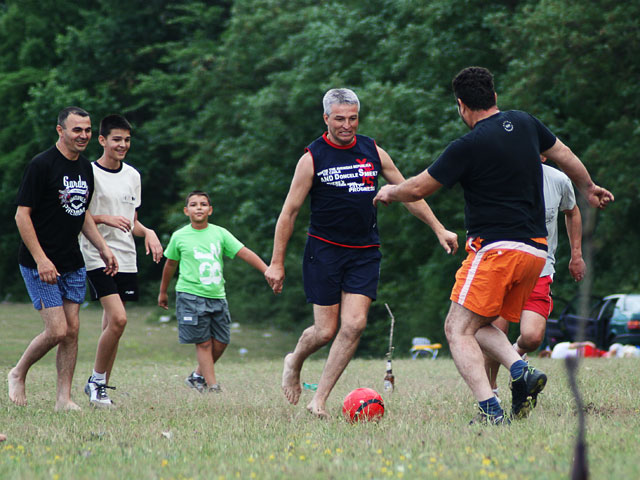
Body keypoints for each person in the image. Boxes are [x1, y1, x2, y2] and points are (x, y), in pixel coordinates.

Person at [373, 66, 613, 424]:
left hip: (497, 251)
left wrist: (391, 190)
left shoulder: (467, 146)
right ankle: (522, 371)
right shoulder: (526, 123)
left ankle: (490, 410)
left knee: (456, 328)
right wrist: (589, 187)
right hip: (535, 252)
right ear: (495, 97)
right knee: (480, 326)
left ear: (461, 106)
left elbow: (419, 188)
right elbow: (565, 155)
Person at [265, 88, 458, 418]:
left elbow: (410, 193)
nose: (347, 125)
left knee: (354, 325)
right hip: (323, 251)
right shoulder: (312, 158)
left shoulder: (373, 151)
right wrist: (276, 262)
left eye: (353, 118)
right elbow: (289, 213)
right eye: (339, 119)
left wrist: (439, 228)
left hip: (365, 252)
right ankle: (294, 360)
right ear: (326, 118)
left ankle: (319, 399)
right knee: (325, 331)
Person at [9, 106, 118, 411]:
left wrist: (102, 248)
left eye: (87, 130)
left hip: (73, 260)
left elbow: (81, 212)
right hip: (39, 262)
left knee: (72, 331)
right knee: (57, 330)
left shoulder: (85, 169)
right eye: (76, 130)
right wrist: (42, 259)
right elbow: (22, 215)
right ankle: (18, 372)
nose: (83, 135)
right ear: (61, 131)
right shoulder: (41, 165)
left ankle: (63, 399)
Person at [79, 114, 163, 408]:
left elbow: (131, 222)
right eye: (116, 139)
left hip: (126, 257)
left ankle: (100, 388)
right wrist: (103, 219)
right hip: (97, 254)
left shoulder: (133, 176)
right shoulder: (87, 173)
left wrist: (148, 232)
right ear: (102, 140)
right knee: (119, 319)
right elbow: (78, 216)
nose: (122, 145)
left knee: (112, 327)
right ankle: (96, 381)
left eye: (127, 140)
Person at [485, 159, 586, 398]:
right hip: (503, 267)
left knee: (532, 338)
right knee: (495, 328)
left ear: (543, 155)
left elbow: (572, 211)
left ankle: (514, 355)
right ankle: (491, 392)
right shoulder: (498, 176)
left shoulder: (558, 180)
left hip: (539, 268)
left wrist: (577, 255)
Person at [158, 191, 269, 392]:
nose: (198, 207)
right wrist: (163, 291)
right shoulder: (179, 236)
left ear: (210, 210)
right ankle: (213, 386)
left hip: (217, 295)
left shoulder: (220, 233)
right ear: (186, 211)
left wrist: (267, 270)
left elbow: (243, 252)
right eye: (193, 204)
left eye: (203, 204)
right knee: (203, 343)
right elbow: (170, 265)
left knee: (221, 341)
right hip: (190, 295)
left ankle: (197, 376)